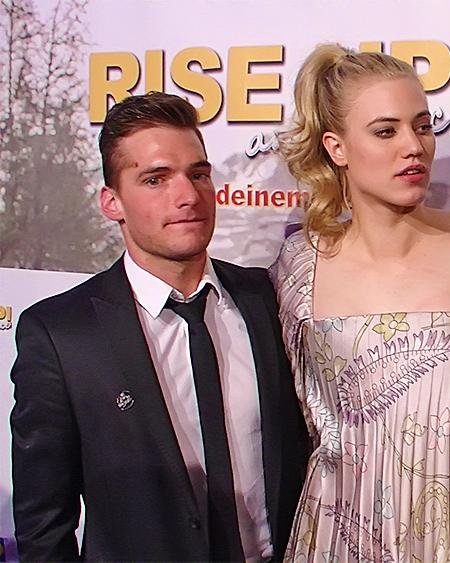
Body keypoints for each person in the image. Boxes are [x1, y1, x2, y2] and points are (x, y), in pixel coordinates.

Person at [271, 44, 450, 561]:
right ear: (336, 148)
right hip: (336, 537)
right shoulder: (301, 266)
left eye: (422, 127)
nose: (413, 147)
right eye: (385, 131)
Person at [9, 92, 309, 561]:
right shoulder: (61, 335)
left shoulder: (266, 298)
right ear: (112, 202)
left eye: (198, 174)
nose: (187, 196)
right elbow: (44, 524)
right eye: (155, 179)